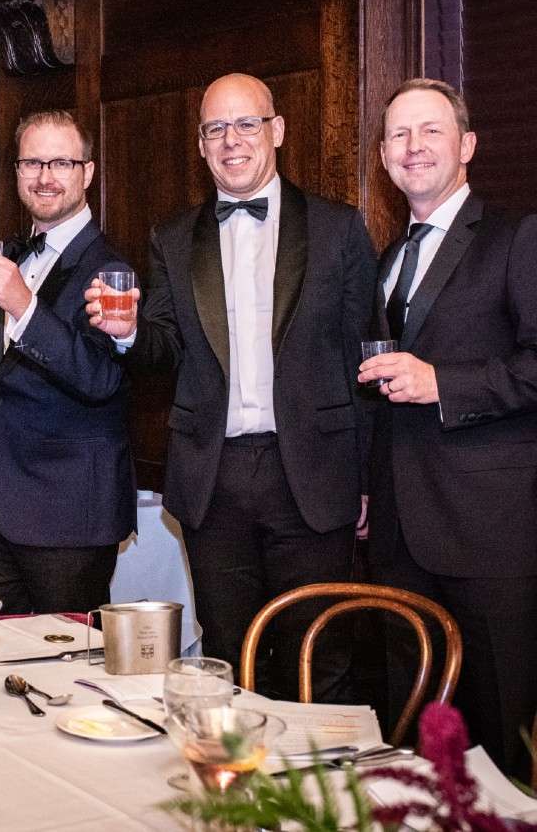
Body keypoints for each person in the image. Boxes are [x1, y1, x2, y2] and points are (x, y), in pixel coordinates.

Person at [86, 73, 376, 701]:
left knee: (318, 656)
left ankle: (310, 793)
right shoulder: (171, 238)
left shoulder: (337, 229)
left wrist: (367, 479)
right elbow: (163, 348)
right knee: (230, 654)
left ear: (277, 131)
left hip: (314, 470)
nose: (231, 139)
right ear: (199, 144)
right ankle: (240, 792)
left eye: (246, 123)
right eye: (216, 128)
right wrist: (130, 331)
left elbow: (366, 361)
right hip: (211, 477)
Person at [360, 78, 537, 777]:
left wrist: (445, 384)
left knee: (501, 749)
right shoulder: (388, 259)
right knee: (422, 753)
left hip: (490, 533)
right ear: (382, 156)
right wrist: (369, 491)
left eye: (430, 130)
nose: (414, 147)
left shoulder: (516, 237)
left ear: (466, 145)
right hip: (402, 536)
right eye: (400, 135)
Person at [0, 110, 135, 613]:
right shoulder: (14, 255)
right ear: (16, 173)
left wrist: (23, 305)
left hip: (68, 513)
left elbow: (99, 378)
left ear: (88, 173)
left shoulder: (111, 268)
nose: (45, 176)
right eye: (32, 162)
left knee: (67, 670)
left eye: (61, 162)